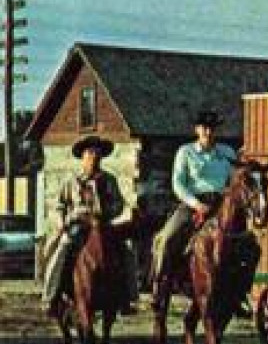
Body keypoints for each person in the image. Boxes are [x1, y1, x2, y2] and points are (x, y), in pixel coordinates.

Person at [41, 135, 139, 311]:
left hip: (103, 224)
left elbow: (118, 203)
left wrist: (107, 212)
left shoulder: (109, 180)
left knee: (127, 251)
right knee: (63, 248)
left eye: (97, 154)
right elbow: (58, 205)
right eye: (90, 153)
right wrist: (64, 220)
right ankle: (51, 296)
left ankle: (129, 297)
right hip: (78, 224)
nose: (94, 157)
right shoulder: (72, 181)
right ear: (83, 157)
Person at [151, 109, 237, 291]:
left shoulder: (228, 153)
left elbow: (233, 180)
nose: (208, 132)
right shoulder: (186, 152)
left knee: (246, 241)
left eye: (212, 128)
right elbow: (178, 184)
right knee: (166, 238)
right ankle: (160, 283)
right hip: (194, 203)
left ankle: (239, 285)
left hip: (222, 204)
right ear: (197, 129)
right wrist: (196, 204)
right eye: (204, 128)